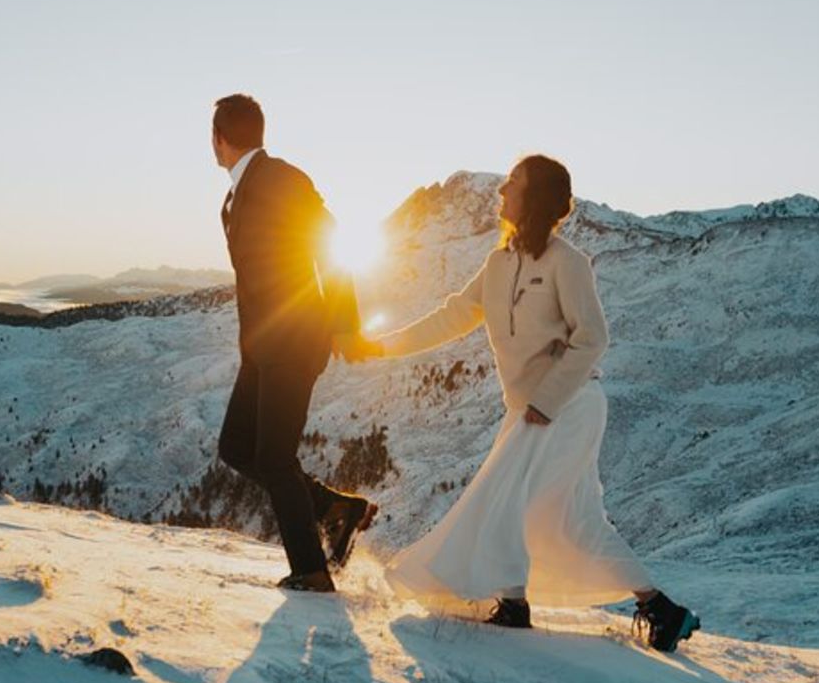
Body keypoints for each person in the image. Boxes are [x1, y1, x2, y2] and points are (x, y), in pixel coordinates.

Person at [354, 154, 700, 652]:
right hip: (529, 412)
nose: (501, 192)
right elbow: (452, 317)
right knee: (576, 521)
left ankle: (514, 605)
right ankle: (662, 610)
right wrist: (380, 345)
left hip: (570, 407)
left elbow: (593, 338)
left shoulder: (568, 262)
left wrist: (548, 399)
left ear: (533, 198)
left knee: (504, 501)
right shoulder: (498, 264)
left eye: (512, 183)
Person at [211, 93, 377, 593]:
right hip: (261, 346)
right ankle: (335, 508)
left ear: (217, 140)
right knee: (237, 447)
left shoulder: (282, 178)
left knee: (276, 456)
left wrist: (344, 322)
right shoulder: (234, 196)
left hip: (295, 338)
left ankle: (310, 569)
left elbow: (331, 242)